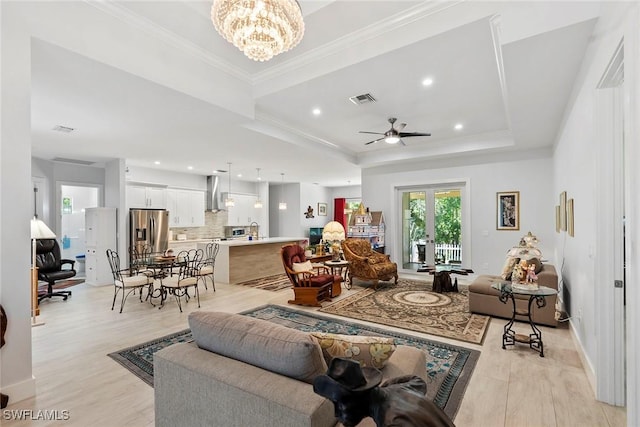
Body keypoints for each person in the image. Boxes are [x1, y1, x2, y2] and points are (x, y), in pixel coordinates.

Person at [313, 357, 455, 427]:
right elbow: (418, 381)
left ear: (360, 397)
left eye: (341, 403)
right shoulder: (401, 389)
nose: (337, 414)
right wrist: (386, 387)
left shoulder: (392, 422)